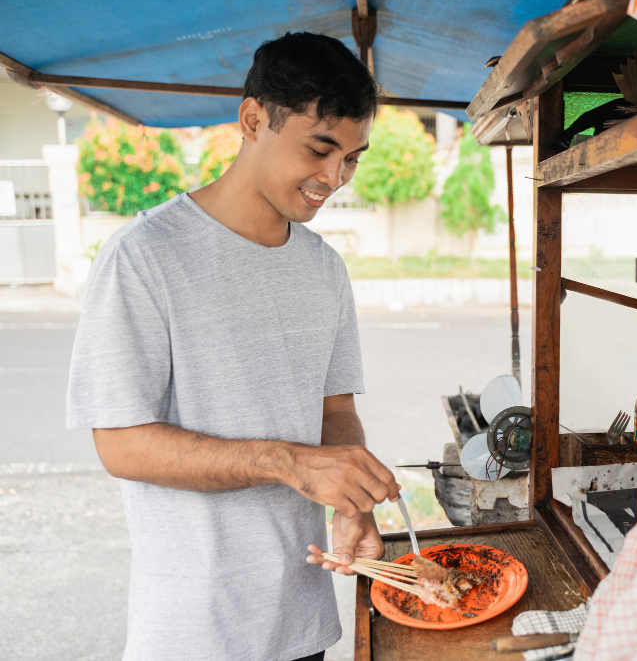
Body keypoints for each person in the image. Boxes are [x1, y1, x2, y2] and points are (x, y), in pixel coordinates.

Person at [66, 32, 398, 661]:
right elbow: (120, 443)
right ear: (252, 120)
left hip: (301, 620)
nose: (335, 177)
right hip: (194, 630)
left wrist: (351, 501)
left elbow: (333, 410)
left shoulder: (324, 268)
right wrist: (292, 464)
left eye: (352, 158)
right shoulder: (145, 256)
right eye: (320, 148)